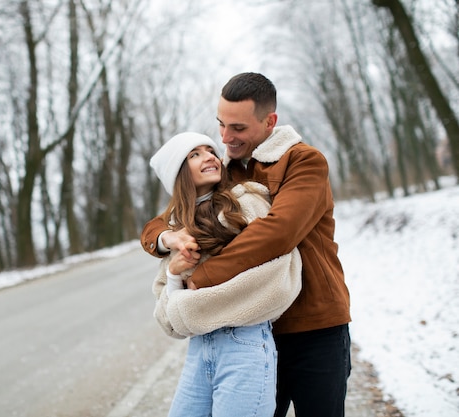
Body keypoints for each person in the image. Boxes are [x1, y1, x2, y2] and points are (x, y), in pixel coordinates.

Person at [141, 72, 352, 417]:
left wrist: (204, 276)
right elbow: (175, 212)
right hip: (254, 325)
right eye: (221, 125)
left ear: (269, 122)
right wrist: (164, 238)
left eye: (237, 128)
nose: (225, 137)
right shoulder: (226, 169)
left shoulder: (303, 161)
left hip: (313, 323)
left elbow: (278, 232)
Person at [148, 131, 302, 417]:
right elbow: (168, 319)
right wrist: (173, 275)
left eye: (210, 150)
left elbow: (278, 276)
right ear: (178, 173)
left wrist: (189, 304)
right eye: (195, 154)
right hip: (198, 350)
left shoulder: (246, 202)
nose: (209, 156)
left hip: (244, 345)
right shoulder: (178, 228)